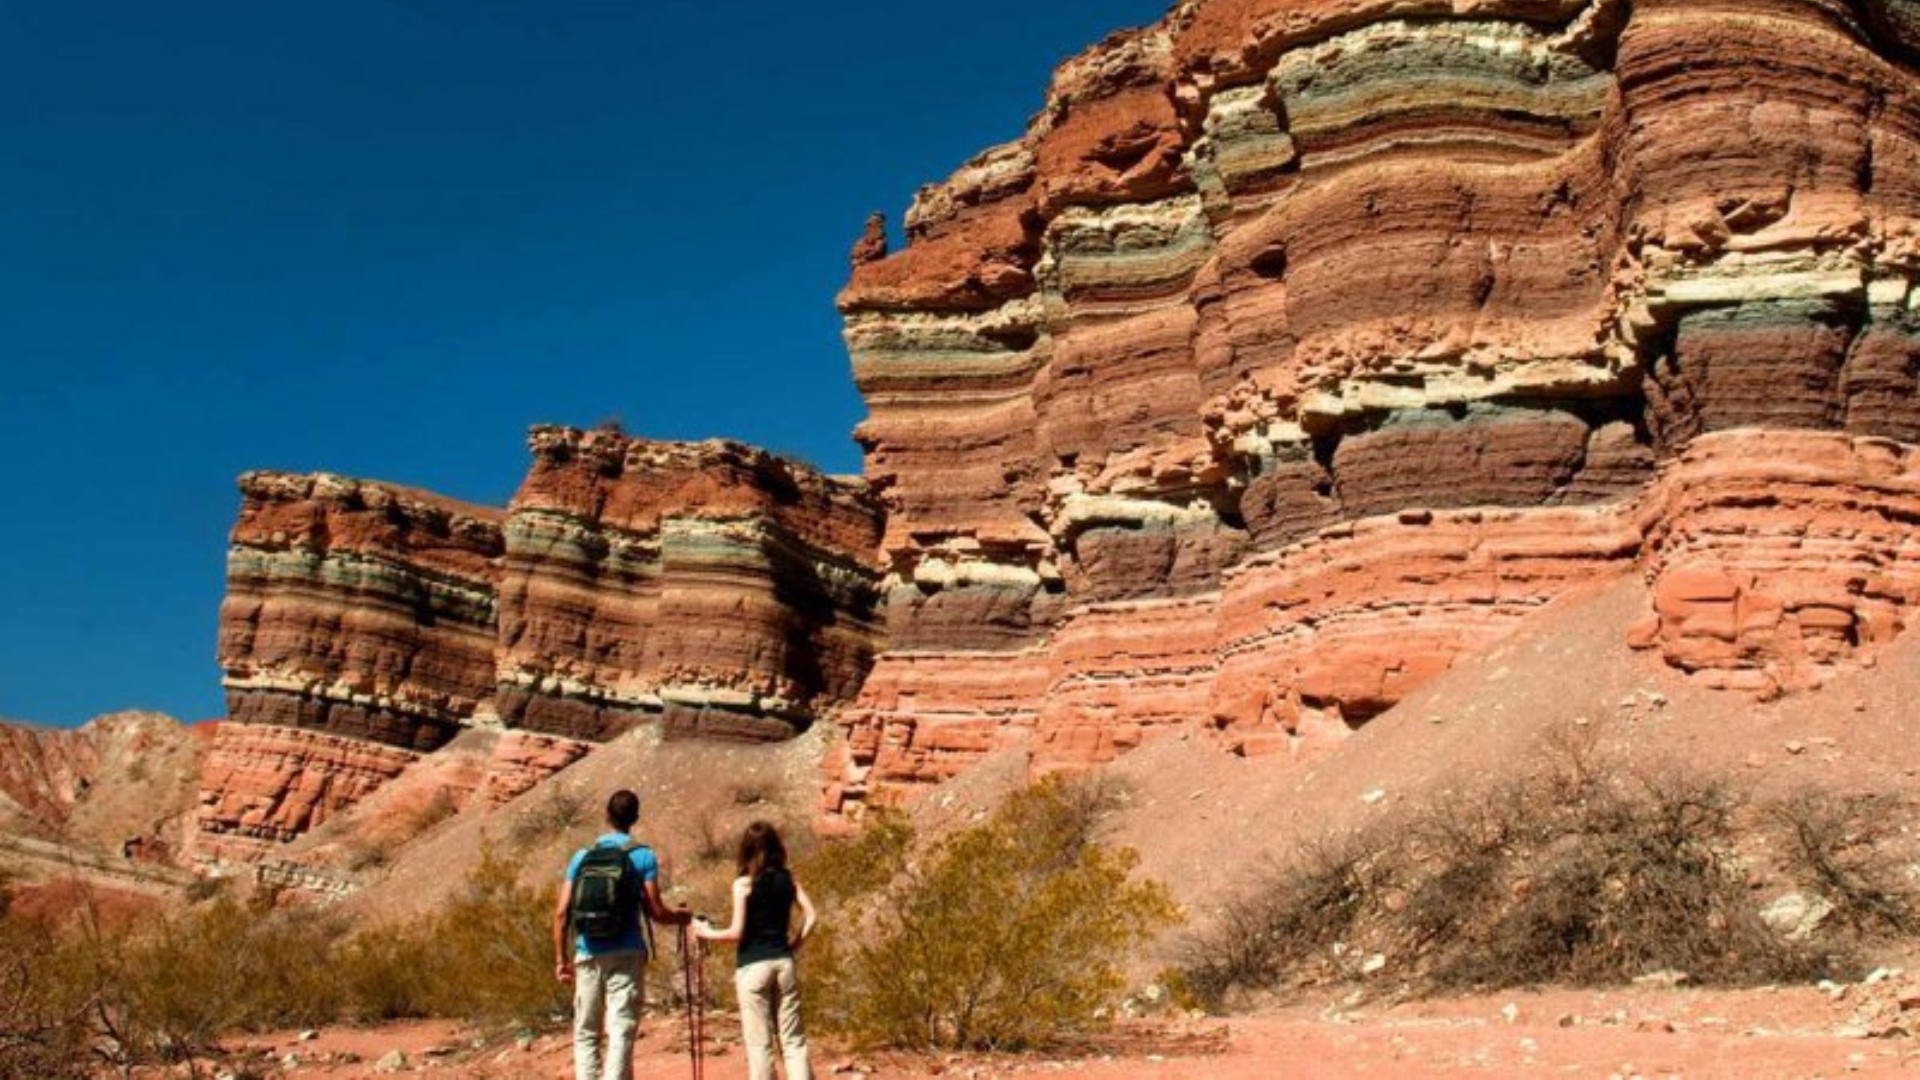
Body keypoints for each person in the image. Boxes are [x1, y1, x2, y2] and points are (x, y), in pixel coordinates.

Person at [554, 789, 693, 1080]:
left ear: (606, 815)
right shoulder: (642, 856)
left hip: (587, 950)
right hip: (627, 951)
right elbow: (656, 911)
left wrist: (560, 960)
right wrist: (681, 918)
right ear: (635, 818)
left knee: (586, 1032)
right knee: (620, 1028)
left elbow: (561, 913)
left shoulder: (582, 856)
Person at [693, 820, 817, 1080]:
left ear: (746, 849)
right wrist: (793, 945)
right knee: (793, 1042)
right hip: (784, 963)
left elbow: (736, 933)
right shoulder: (789, 878)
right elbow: (812, 916)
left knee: (759, 1044)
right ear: (776, 847)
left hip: (752, 966)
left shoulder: (743, 884)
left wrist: (705, 932)